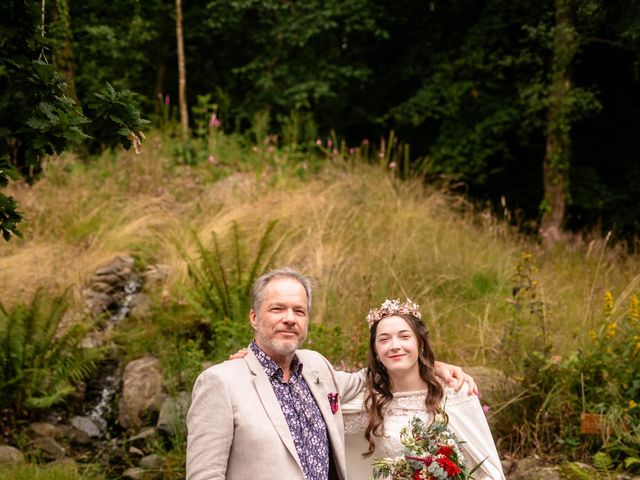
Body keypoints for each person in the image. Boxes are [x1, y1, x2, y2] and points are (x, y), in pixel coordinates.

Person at [186, 268, 474, 480]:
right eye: (277, 309)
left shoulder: (316, 367)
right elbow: (204, 475)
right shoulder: (221, 382)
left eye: (299, 311)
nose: (289, 318)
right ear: (253, 317)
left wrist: (431, 366)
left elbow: (374, 375)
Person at [342, 299, 505, 479]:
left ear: (420, 344)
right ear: (376, 352)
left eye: (404, 336)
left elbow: (489, 471)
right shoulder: (369, 398)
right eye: (384, 339)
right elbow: (321, 404)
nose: (395, 346)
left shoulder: (454, 392)